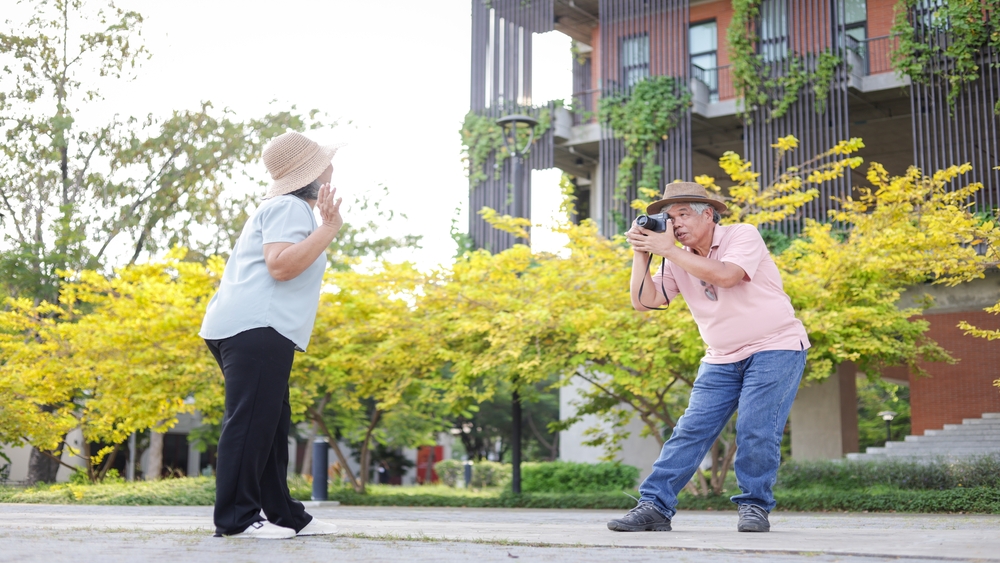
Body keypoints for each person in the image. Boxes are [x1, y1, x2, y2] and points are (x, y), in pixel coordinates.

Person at [607, 182, 810, 534]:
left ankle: (754, 506)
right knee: (689, 431)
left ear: (708, 214)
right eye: (669, 218)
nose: (676, 224)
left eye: (683, 214)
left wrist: (668, 249)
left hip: (776, 346)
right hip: (720, 358)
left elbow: (728, 276)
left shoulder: (741, 235)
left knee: (755, 429)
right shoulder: (675, 258)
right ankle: (654, 505)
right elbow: (644, 301)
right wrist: (642, 251)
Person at [199, 131, 344, 540]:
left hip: (255, 328)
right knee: (250, 424)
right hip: (257, 328)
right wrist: (329, 227)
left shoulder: (289, 208)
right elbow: (280, 266)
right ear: (314, 174)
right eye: (324, 162)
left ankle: (284, 514)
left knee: (271, 424)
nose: (332, 167)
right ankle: (236, 520)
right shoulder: (290, 207)